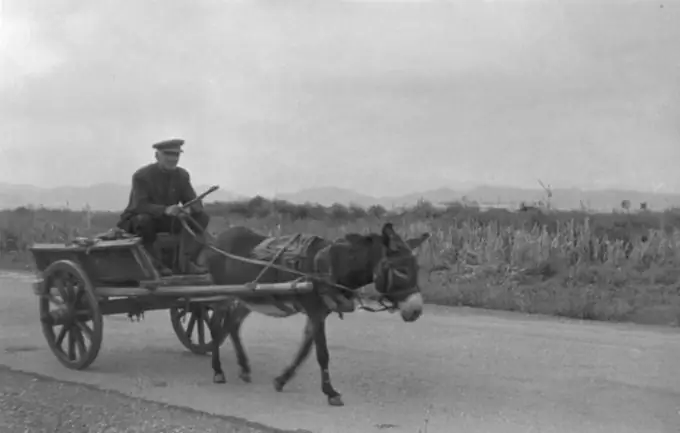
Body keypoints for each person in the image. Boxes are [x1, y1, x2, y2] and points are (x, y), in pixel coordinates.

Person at [117, 138, 210, 275]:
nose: (172, 159)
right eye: (168, 154)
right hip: (139, 221)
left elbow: (194, 202)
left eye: (176, 155)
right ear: (157, 156)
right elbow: (139, 205)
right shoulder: (142, 176)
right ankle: (154, 265)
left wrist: (188, 209)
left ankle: (186, 262)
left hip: (167, 221)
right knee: (144, 220)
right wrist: (165, 210)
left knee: (201, 218)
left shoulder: (182, 176)